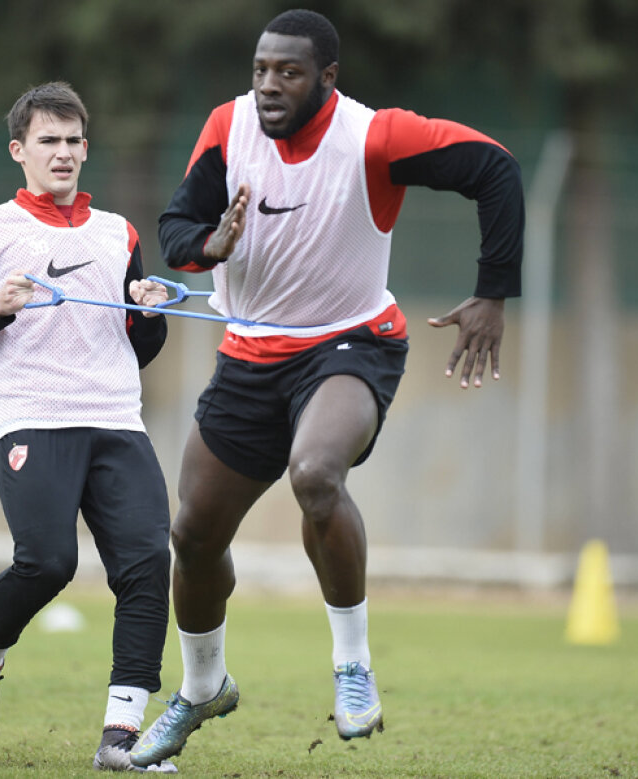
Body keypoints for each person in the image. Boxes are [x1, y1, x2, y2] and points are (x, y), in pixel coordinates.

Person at [129, 9, 524, 769]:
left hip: (352, 342)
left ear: (328, 79)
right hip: (249, 354)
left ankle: (353, 667)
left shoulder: (373, 136)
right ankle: (203, 685)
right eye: (260, 70)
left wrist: (493, 291)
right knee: (192, 534)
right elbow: (179, 221)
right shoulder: (229, 125)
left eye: (290, 72)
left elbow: (494, 167)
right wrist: (208, 244)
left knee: (315, 474)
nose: (270, 86)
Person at [0, 81, 177, 773]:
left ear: (86, 149)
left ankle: (123, 738)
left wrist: (147, 313)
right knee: (49, 561)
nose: (63, 153)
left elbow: (135, 346)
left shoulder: (117, 233)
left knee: (150, 562)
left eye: (73, 142)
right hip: (28, 413)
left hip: (116, 419)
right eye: (48, 141)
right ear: (19, 151)